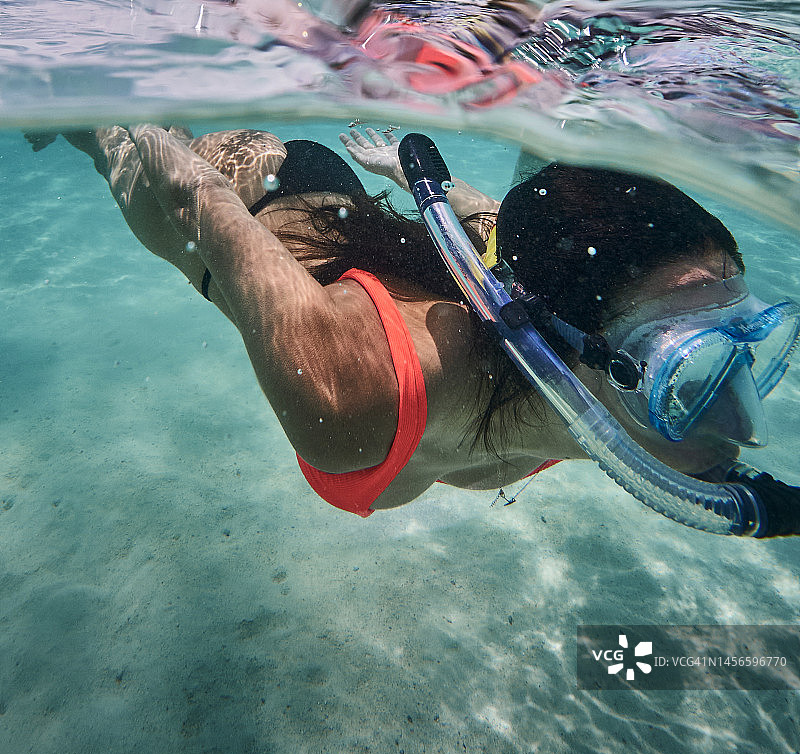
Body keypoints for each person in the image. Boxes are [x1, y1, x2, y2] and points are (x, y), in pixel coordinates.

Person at [54, 124, 800, 533]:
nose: (743, 426)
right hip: (253, 197)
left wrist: (394, 171)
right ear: (556, 351)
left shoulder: (573, 373)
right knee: (129, 157)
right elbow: (197, 193)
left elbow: (504, 236)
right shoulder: (349, 391)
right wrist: (144, 133)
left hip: (356, 217)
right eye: (687, 368)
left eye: (750, 348)